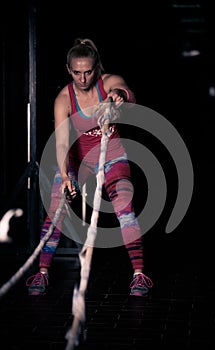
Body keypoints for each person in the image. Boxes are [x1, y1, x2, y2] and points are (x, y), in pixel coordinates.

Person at [26, 38, 153, 297]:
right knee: (56, 205)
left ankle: (139, 275)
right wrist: (64, 177)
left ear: (96, 69)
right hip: (77, 160)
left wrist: (118, 97)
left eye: (88, 72)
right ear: (68, 70)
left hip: (111, 156)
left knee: (124, 207)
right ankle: (42, 272)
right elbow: (61, 144)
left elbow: (126, 92)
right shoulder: (63, 99)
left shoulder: (107, 83)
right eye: (77, 72)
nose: (83, 78)